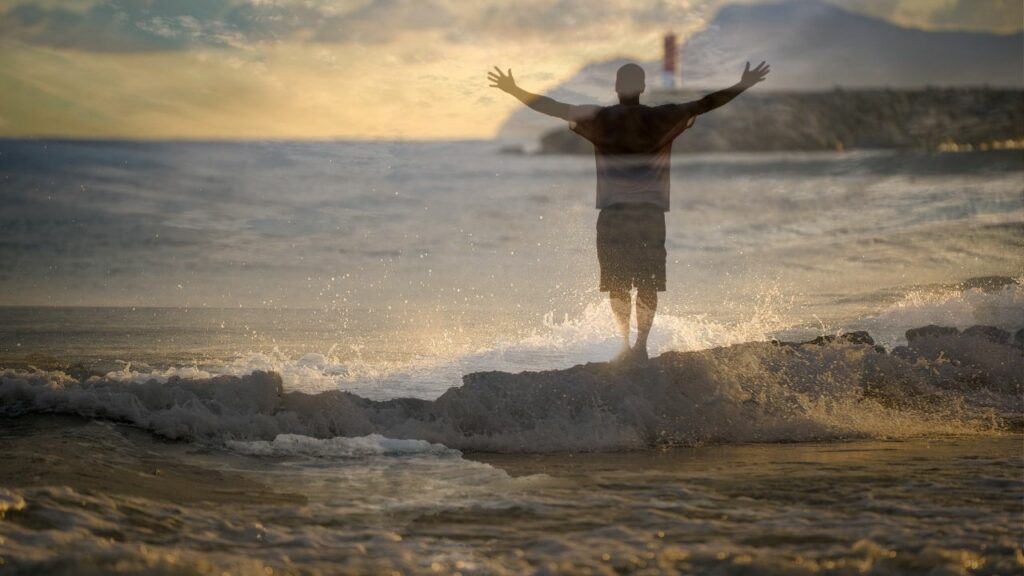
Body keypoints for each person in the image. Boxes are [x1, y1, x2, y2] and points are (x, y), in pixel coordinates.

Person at [488, 60, 770, 362]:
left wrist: (514, 89)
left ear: (617, 88)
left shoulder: (601, 118)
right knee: (648, 283)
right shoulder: (662, 117)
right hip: (650, 214)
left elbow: (554, 107)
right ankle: (642, 346)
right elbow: (705, 103)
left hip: (613, 212)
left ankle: (624, 342)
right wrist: (743, 84)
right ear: (643, 88)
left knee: (617, 284)